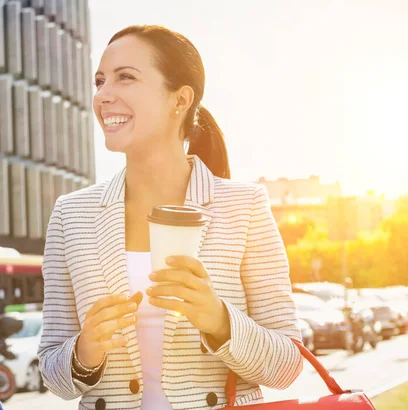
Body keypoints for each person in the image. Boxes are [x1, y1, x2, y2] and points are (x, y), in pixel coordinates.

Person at [37, 25, 303, 410]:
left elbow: (288, 365)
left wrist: (219, 321)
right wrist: (83, 351)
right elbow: (52, 372)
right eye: (99, 81)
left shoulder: (244, 206)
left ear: (180, 100)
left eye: (125, 77)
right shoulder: (70, 214)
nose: (103, 96)